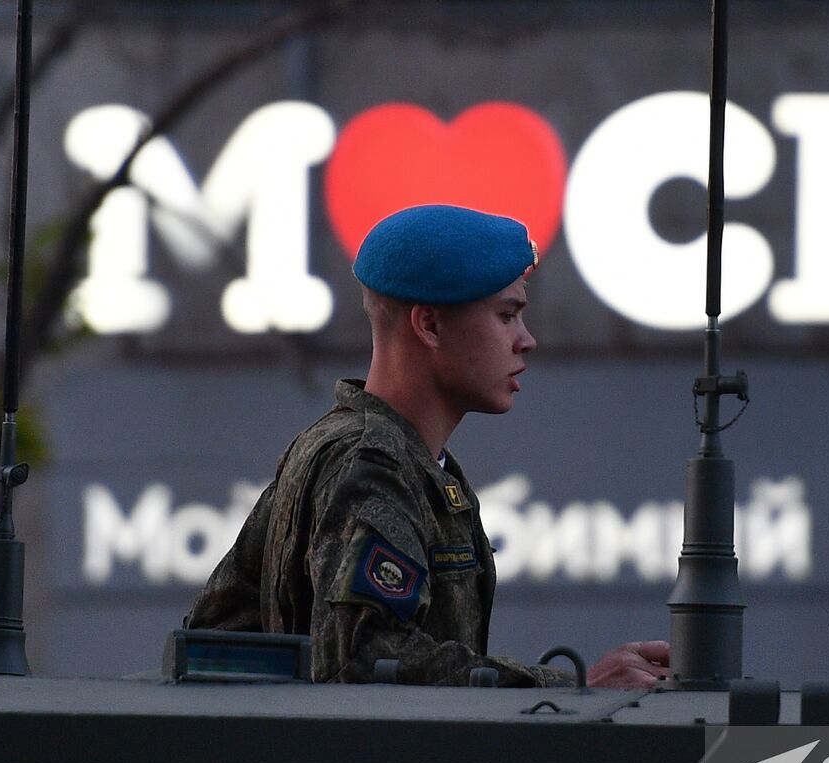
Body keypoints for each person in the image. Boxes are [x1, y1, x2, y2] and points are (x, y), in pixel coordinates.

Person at [184, 204, 669, 688]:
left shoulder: (362, 454)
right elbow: (364, 658)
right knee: (735, 759)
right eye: (507, 316)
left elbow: (218, 634)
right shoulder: (370, 465)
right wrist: (571, 690)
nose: (527, 340)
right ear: (430, 326)